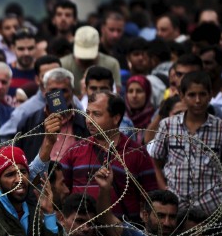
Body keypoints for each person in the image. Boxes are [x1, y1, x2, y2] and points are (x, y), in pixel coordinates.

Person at [39, 91, 157, 223]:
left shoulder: (136, 153)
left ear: (116, 118)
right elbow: (60, 188)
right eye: (87, 113)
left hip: (123, 234)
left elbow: (151, 198)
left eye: (97, 114)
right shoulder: (75, 151)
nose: (89, 120)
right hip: (81, 231)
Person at [150, 71, 222, 214]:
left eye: (203, 94)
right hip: (176, 207)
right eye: (191, 95)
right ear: (182, 95)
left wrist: (221, 195)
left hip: (211, 207)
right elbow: (155, 162)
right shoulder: (168, 125)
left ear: (210, 95)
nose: (198, 100)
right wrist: (165, 190)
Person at [15, 67, 88, 163]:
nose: (59, 95)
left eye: (64, 91)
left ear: (72, 92)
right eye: (53, 90)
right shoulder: (29, 122)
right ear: (44, 91)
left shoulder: (86, 122)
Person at [60, 26, 122, 98]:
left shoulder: (112, 64)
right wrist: (83, 97)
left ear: (98, 45)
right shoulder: (63, 65)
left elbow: (115, 97)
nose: (86, 61)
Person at [125, 75, 156, 144]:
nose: (134, 95)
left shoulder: (155, 118)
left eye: (139, 91)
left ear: (147, 93)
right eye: (130, 91)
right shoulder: (120, 118)